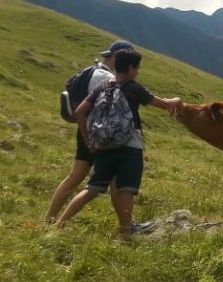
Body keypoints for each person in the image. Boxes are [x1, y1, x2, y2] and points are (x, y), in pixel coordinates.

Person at [57, 49, 182, 238]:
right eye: (137, 67)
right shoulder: (134, 88)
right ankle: (126, 235)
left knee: (91, 189)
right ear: (131, 68)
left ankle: (59, 224)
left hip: (104, 145)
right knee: (126, 189)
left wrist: (88, 139)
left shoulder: (102, 86)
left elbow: (80, 112)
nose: (138, 71)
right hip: (130, 146)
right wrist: (177, 100)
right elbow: (165, 104)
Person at [44, 40, 135, 222]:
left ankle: (49, 218)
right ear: (118, 56)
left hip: (85, 130)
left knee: (75, 177)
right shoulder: (104, 78)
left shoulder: (93, 71)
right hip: (100, 135)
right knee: (115, 181)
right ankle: (127, 227)